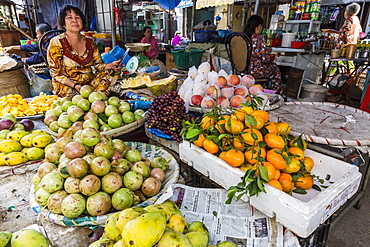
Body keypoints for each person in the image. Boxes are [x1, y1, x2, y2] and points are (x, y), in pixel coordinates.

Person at [47, 5, 121, 97]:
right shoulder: (57, 42)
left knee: (111, 73)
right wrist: (75, 85)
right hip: (68, 86)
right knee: (72, 99)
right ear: (63, 24)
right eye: (69, 17)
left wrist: (111, 65)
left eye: (77, 17)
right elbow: (55, 73)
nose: (74, 20)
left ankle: (96, 100)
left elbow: (98, 65)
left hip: (88, 84)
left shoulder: (90, 41)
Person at [243, 15, 283, 94]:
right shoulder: (259, 38)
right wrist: (267, 52)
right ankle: (276, 92)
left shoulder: (243, 37)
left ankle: (261, 89)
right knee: (274, 67)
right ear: (258, 27)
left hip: (242, 71)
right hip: (255, 71)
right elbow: (265, 60)